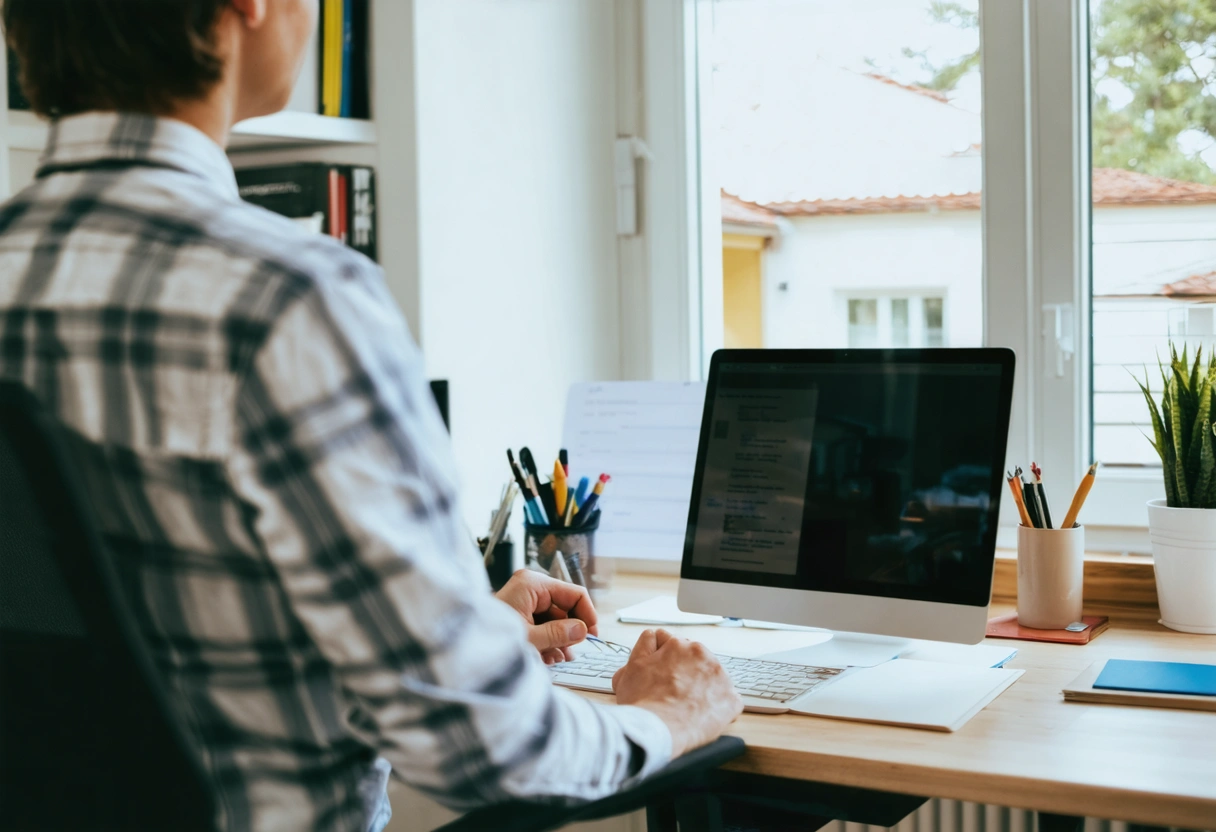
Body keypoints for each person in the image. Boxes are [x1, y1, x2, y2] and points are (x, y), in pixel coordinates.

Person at [0, 1, 743, 830]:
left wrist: (463, 638)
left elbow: (141, 632)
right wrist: (669, 715)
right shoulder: (283, 298)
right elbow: (483, 753)